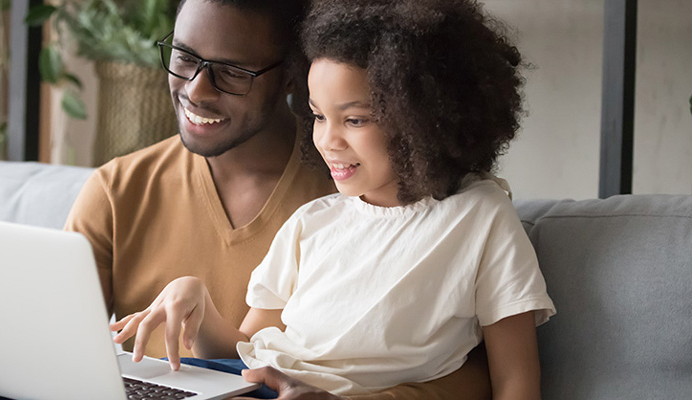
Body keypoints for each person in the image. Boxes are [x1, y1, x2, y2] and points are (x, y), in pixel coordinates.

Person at [0, 0, 493, 399]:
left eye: (233, 72)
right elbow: (40, 348)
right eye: (184, 56)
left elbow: (472, 374)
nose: (197, 88)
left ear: (295, 74)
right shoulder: (118, 190)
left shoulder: (365, 190)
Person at [113, 0, 556, 398]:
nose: (327, 139)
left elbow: (515, 379)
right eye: (319, 116)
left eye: (355, 119)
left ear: (425, 116)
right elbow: (245, 352)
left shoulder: (480, 216)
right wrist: (196, 303)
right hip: (247, 383)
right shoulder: (314, 221)